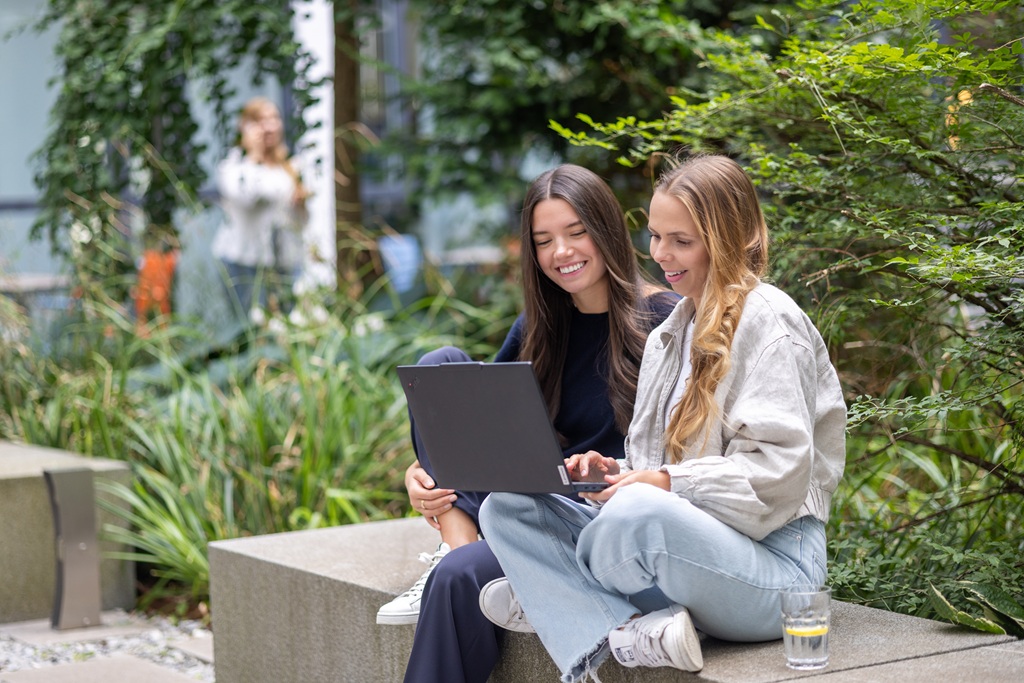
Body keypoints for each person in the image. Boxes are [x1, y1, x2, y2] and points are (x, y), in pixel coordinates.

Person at [477, 154, 847, 682]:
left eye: (681, 240)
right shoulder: (671, 333)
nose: (660, 255)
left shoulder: (772, 322)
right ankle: (625, 627)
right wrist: (615, 470)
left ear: (725, 239)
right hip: (690, 558)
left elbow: (776, 478)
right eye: (654, 236)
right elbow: (660, 471)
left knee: (638, 514)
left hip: (775, 573)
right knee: (507, 508)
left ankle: (562, 597)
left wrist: (659, 482)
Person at [379, 164, 680, 683]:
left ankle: (458, 556)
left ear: (606, 228)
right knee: (440, 367)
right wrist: (420, 474)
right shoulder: (541, 325)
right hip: (522, 504)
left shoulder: (664, 320)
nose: (561, 252)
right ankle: (458, 542)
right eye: (544, 241)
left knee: (455, 580)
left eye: (576, 232)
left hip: (595, 521)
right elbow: (481, 426)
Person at [211, 97, 308, 325]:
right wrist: (253, 154)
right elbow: (246, 198)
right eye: (261, 120)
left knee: (287, 328)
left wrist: (301, 204)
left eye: (275, 118)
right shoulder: (234, 168)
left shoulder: (290, 167)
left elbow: (302, 221)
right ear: (246, 127)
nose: (270, 126)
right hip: (243, 262)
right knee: (250, 329)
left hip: (283, 262)